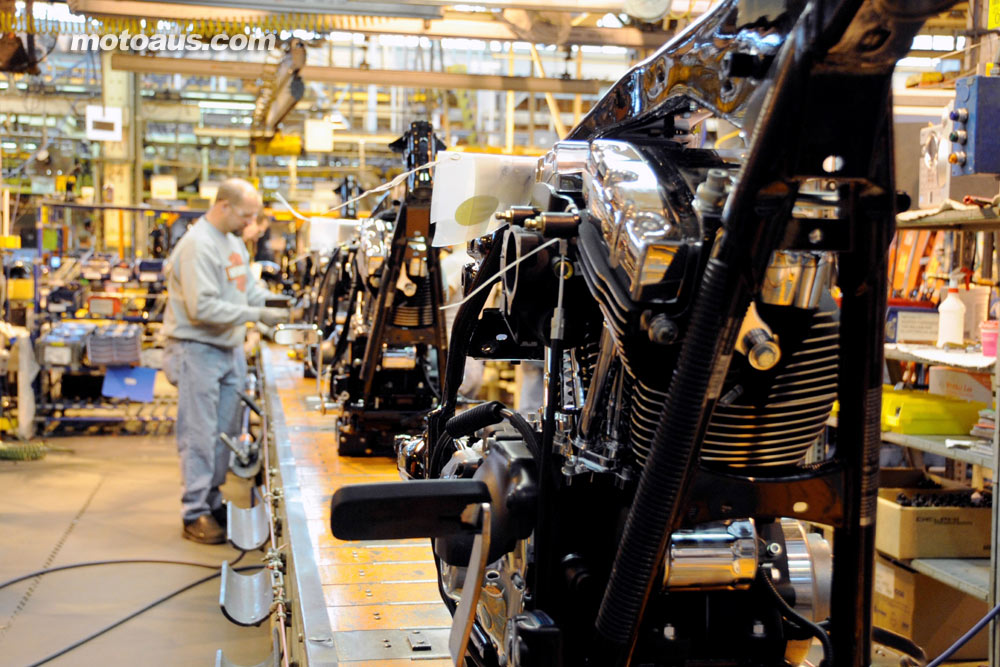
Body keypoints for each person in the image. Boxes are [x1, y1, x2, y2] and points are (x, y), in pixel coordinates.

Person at [162, 178, 289, 544]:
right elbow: (201, 308)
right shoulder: (197, 246)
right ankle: (194, 511)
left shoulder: (232, 242)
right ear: (224, 206)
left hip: (228, 348)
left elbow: (248, 288)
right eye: (246, 215)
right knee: (199, 434)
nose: (251, 223)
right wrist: (254, 314)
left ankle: (213, 497)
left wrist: (274, 304)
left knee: (225, 431)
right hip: (197, 349)